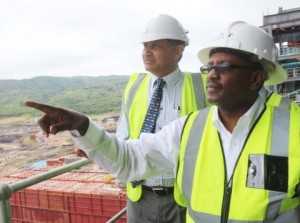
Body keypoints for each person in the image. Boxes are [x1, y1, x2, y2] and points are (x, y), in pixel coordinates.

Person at [25, 21, 300, 223]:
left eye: (224, 67)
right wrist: (83, 127)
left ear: (255, 78)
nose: (212, 75)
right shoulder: (191, 128)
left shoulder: (293, 127)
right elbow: (129, 158)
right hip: (141, 197)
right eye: (209, 67)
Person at [114, 14, 207, 223]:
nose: (146, 51)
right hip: (140, 198)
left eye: (155, 46)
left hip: (184, 198)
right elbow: (123, 135)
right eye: (145, 45)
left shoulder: (202, 86)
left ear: (178, 50)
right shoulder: (134, 86)